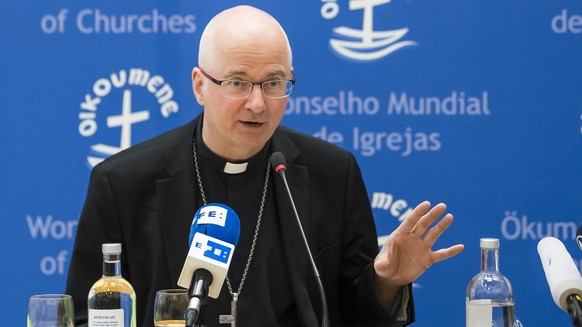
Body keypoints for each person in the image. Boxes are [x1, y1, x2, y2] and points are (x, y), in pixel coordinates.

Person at [66, 5, 464, 327]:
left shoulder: (332, 174)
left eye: (273, 83)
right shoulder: (123, 183)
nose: (258, 103)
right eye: (238, 82)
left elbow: (350, 314)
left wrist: (386, 282)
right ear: (199, 85)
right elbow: (88, 317)